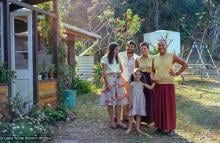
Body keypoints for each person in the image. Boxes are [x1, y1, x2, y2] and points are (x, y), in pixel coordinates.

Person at [151, 40, 188, 136]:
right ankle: (159, 126)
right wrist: (152, 77)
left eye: (162, 45)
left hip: (168, 85)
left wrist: (177, 73)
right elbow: (152, 70)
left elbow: (185, 64)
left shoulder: (172, 56)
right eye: (159, 45)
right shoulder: (154, 57)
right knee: (158, 106)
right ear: (157, 47)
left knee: (169, 107)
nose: (161, 47)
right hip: (158, 85)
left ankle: (171, 128)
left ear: (166, 46)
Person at [100, 42, 128, 129]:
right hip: (110, 80)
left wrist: (119, 73)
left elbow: (122, 68)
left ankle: (119, 121)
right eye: (116, 49)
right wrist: (107, 83)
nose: (117, 51)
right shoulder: (105, 58)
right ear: (111, 49)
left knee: (119, 102)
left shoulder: (117, 57)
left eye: (118, 50)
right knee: (110, 102)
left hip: (118, 80)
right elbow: (104, 72)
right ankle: (112, 121)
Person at [125, 68, 155, 134]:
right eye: (135, 74)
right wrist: (130, 103)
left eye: (139, 74)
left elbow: (150, 87)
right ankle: (129, 128)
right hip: (133, 100)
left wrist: (155, 82)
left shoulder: (142, 83)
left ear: (141, 75)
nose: (137, 76)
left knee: (138, 114)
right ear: (133, 75)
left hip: (140, 101)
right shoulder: (131, 83)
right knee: (131, 115)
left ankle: (137, 128)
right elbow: (129, 93)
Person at [118, 40, 139, 121]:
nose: (129, 48)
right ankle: (118, 116)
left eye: (131, 47)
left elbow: (137, 70)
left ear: (134, 48)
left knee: (129, 98)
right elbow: (117, 66)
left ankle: (127, 116)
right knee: (120, 99)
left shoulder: (137, 58)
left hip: (131, 81)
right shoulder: (120, 55)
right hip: (121, 80)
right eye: (128, 46)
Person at [135, 42, 154, 126]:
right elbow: (136, 70)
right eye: (142, 49)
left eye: (145, 48)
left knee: (150, 100)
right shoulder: (138, 59)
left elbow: (155, 70)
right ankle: (140, 119)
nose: (143, 50)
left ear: (148, 49)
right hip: (141, 80)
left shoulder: (153, 58)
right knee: (141, 100)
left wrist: (154, 80)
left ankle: (150, 120)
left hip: (150, 79)